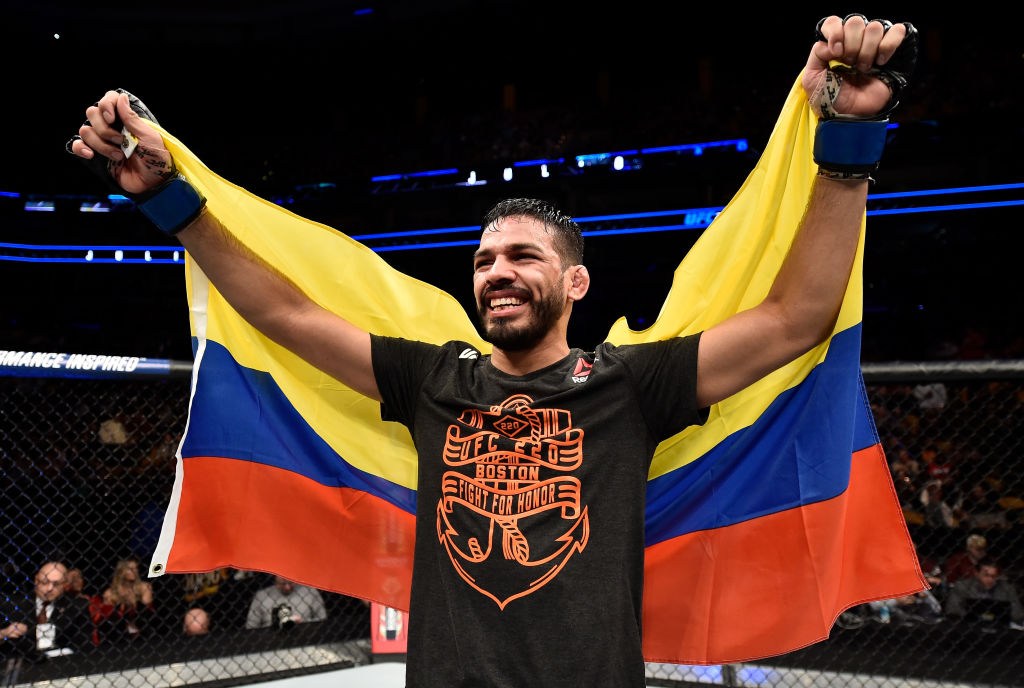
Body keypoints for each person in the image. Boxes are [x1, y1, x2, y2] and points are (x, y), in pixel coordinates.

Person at [70, 14, 914, 688]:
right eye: (483, 261)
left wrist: (848, 141)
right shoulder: (434, 377)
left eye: (521, 257)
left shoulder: (631, 383)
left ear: (577, 285)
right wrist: (175, 202)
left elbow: (799, 315)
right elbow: (285, 312)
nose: (497, 273)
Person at [0, 562, 93, 660]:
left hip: (62, 665)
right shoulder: (12, 604)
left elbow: (85, 647)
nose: (50, 588)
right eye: (44, 582)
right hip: (18, 666)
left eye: (56, 584)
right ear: (36, 580)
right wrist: (4, 633)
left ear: (65, 584)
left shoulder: (76, 607)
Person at [944, 558, 1024, 626]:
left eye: (993, 576)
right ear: (976, 573)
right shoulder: (962, 586)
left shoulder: (1007, 588)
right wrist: (973, 615)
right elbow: (952, 609)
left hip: (999, 628)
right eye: (986, 575)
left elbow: (1018, 613)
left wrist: (1003, 615)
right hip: (969, 627)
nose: (990, 579)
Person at [93, 558, 155, 643]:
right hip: (119, 631)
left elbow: (147, 611)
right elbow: (108, 618)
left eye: (136, 568)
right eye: (130, 569)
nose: (135, 571)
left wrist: (133, 603)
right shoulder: (110, 592)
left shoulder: (144, 587)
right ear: (121, 572)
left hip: (141, 628)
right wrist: (122, 605)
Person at [245, 577, 327, 629]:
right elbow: (251, 626)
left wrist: (303, 623)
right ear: (275, 580)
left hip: (306, 636)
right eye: (282, 584)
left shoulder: (310, 591)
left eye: (291, 583)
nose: (287, 587)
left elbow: (323, 619)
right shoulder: (262, 596)